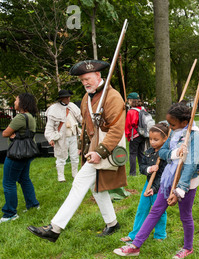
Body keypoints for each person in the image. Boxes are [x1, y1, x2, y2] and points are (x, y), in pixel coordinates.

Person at [27, 59, 126, 242]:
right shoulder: (88, 98)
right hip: (93, 150)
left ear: (98, 76)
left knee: (79, 182)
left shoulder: (112, 97)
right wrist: (83, 148)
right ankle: (113, 224)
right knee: (97, 189)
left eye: (87, 78)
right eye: (82, 80)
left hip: (106, 150)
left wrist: (99, 152)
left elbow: (117, 129)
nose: (85, 83)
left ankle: (54, 228)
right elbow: (86, 127)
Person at [114, 101, 199, 259]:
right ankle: (136, 245)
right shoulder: (174, 132)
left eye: (172, 124)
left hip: (186, 183)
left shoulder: (195, 136)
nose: (169, 127)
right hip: (168, 178)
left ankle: (188, 248)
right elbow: (161, 152)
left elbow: (190, 164)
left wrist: (180, 189)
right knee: (155, 210)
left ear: (184, 122)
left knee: (185, 215)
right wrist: (175, 153)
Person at [119, 122, 169, 243]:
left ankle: (160, 235)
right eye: (151, 139)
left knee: (159, 211)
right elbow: (141, 167)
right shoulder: (149, 152)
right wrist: (149, 169)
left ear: (165, 139)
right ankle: (134, 235)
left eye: (156, 139)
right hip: (148, 184)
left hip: (160, 186)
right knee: (142, 209)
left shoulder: (166, 155)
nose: (152, 142)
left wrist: (155, 188)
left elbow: (163, 176)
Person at [1, 93, 40, 223]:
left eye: (16, 100)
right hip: (27, 153)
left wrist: (13, 134)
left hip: (17, 154)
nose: (14, 102)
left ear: (22, 102)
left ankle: (10, 213)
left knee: (8, 182)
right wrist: (16, 134)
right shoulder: (31, 117)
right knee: (24, 179)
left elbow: (5, 133)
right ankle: (33, 204)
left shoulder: (20, 117)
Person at [44, 89, 82, 182]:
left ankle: (75, 174)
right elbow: (49, 126)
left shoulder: (72, 106)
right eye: (66, 97)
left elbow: (80, 118)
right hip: (61, 137)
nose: (68, 99)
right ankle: (61, 177)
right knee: (61, 157)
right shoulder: (53, 109)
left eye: (69, 97)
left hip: (73, 134)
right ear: (61, 98)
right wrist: (50, 138)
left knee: (75, 156)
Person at [125, 92, 146, 176]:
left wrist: (128, 136)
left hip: (135, 135)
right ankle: (142, 171)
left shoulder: (130, 112)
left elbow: (128, 125)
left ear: (131, 101)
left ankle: (132, 173)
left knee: (133, 154)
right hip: (143, 134)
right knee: (141, 153)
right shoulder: (143, 109)